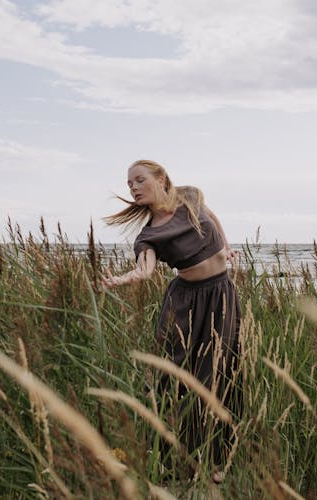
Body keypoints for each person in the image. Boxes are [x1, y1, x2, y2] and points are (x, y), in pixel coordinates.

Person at [102, 159, 240, 483]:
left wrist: (226, 246)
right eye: (129, 184)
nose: (133, 187)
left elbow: (213, 218)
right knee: (173, 379)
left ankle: (217, 461)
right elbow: (145, 268)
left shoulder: (190, 196)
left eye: (138, 180)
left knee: (219, 373)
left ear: (160, 178)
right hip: (185, 301)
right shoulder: (149, 234)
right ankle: (173, 461)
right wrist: (126, 278)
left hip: (221, 294)